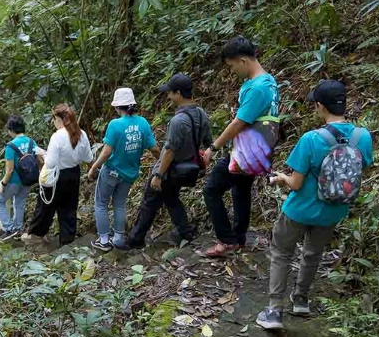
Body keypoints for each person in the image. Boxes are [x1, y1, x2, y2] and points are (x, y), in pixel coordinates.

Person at [256, 80, 373, 330]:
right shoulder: (363, 137)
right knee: (312, 254)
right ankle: (301, 300)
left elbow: (296, 183)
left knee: (281, 253)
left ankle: (274, 310)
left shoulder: (311, 139)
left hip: (299, 209)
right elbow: (358, 170)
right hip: (333, 211)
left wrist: (281, 178)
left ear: (320, 106)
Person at [202, 36, 280, 257]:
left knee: (212, 190)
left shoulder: (258, 88)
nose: (232, 70)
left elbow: (239, 122)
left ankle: (227, 240)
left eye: (232, 65)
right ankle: (239, 238)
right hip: (258, 150)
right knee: (241, 190)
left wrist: (213, 148)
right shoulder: (270, 82)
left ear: (243, 60)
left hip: (248, 150)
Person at [128, 74, 213, 248]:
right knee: (171, 198)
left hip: (170, 169)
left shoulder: (178, 121)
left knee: (149, 201)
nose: (168, 96)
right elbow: (208, 143)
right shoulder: (201, 114)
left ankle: (135, 241)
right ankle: (185, 231)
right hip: (187, 168)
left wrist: (158, 174)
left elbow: (169, 151)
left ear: (179, 93)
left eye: (170, 93)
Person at [88, 88, 160, 252]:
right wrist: (162, 163)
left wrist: (94, 167)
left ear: (117, 106)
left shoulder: (115, 125)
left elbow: (106, 152)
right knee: (119, 204)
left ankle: (104, 241)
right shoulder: (142, 123)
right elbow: (154, 148)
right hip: (129, 174)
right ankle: (119, 239)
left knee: (101, 204)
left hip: (111, 171)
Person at [22, 103, 93, 246]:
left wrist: (42, 154)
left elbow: (50, 163)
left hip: (57, 175)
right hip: (74, 174)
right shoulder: (82, 134)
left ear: (58, 119)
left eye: (53, 118)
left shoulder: (57, 136)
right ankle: (67, 240)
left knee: (46, 207)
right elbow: (88, 158)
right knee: (69, 208)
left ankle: (36, 234)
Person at [0, 115, 43, 241]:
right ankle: (17, 229)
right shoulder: (31, 142)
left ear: (10, 130)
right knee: (19, 203)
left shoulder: (10, 146)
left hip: (13, 181)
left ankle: (9, 229)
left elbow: (9, 170)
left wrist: (3, 185)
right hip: (28, 180)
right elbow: (40, 160)